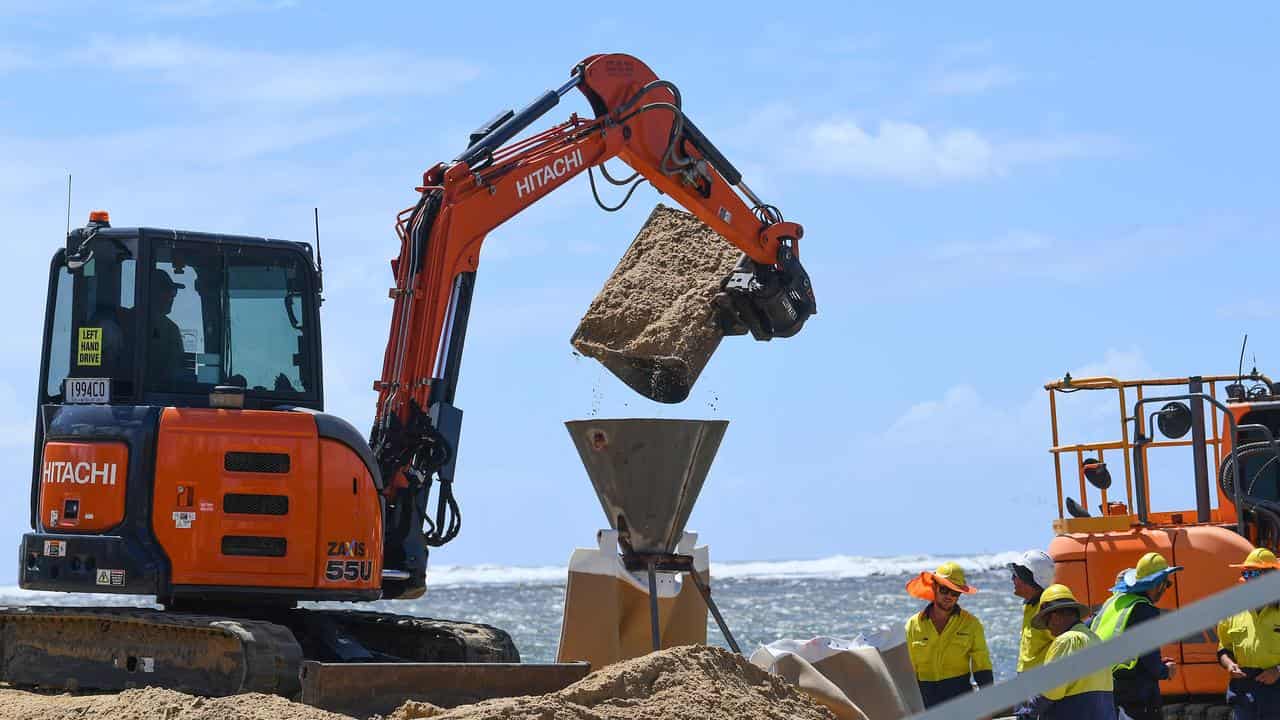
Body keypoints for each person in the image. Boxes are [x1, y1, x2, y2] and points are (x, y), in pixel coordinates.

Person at [1090, 552, 1181, 720]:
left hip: (1107, 686)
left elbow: (1088, 627)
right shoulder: (1145, 610)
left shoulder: (1113, 603)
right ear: (1158, 585)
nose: (1166, 589)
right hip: (1136, 693)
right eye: (1167, 584)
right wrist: (1165, 671)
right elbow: (1149, 658)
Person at [1017, 583, 1116, 720]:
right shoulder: (1095, 639)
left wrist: (1026, 712)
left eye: (1046, 621)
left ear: (1057, 615)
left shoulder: (1066, 641)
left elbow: (1050, 690)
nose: (1048, 628)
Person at [904, 561, 994, 708]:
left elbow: (982, 666)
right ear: (934, 587)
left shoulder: (972, 624)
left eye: (955, 592)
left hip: (960, 700)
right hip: (924, 702)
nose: (949, 596)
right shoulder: (913, 625)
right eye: (945, 590)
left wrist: (988, 703)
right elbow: (906, 672)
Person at [1217, 547, 1280, 719]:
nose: (1248, 580)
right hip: (1244, 691)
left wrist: (1278, 671)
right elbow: (1223, 649)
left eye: (1254, 575)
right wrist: (1229, 664)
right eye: (1246, 574)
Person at [1009, 549, 1057, 673]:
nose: (1012, 579)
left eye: (1016, 575)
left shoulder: (1048, 610)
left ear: (1028, 579)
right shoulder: (1030, 605)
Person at [148, 268, 189, 383]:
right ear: (152, 293)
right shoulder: (170, 329)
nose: (172, 297)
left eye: (174, 292)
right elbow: (175, 370)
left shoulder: (171, 328)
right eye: (168, 292)